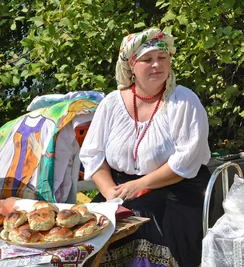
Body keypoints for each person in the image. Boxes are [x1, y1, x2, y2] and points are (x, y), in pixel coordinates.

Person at [80, 28, 211, 267]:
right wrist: (110, 192)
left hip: (177, 188)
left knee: (154, 228)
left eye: (162, 58)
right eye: (147, 59)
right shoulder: (111, 104)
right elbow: (93, 154)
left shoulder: (184, 101)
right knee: (88, 234)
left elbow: (186, 160)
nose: (156, 65)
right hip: (120, 189)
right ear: (131, 66)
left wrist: (140, 184)